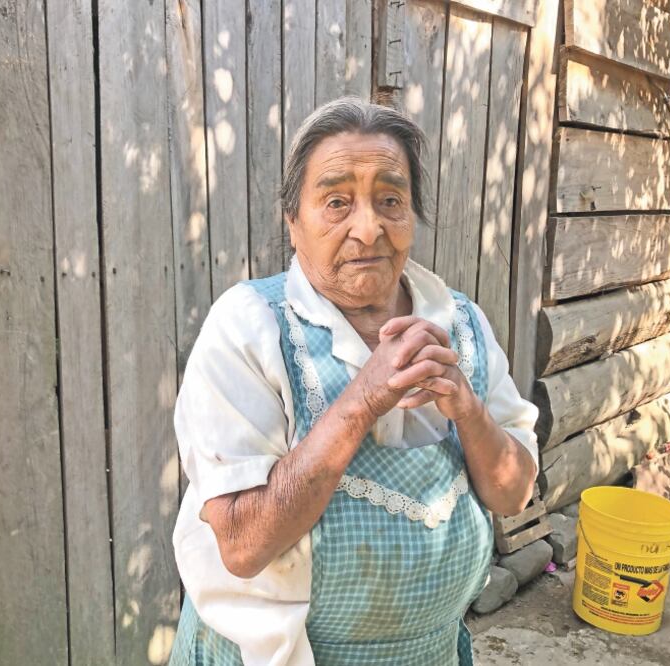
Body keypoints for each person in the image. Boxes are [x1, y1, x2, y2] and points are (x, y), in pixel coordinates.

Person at [169, 97, 539, 666]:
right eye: (337, 202)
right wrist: (364, 399)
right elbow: (242, 547)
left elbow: (513, 494)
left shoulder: (460, 324)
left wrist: (469, 410)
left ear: (411, 215)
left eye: (390, 200)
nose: (368, 229)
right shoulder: (249, 329)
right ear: (293, 221)